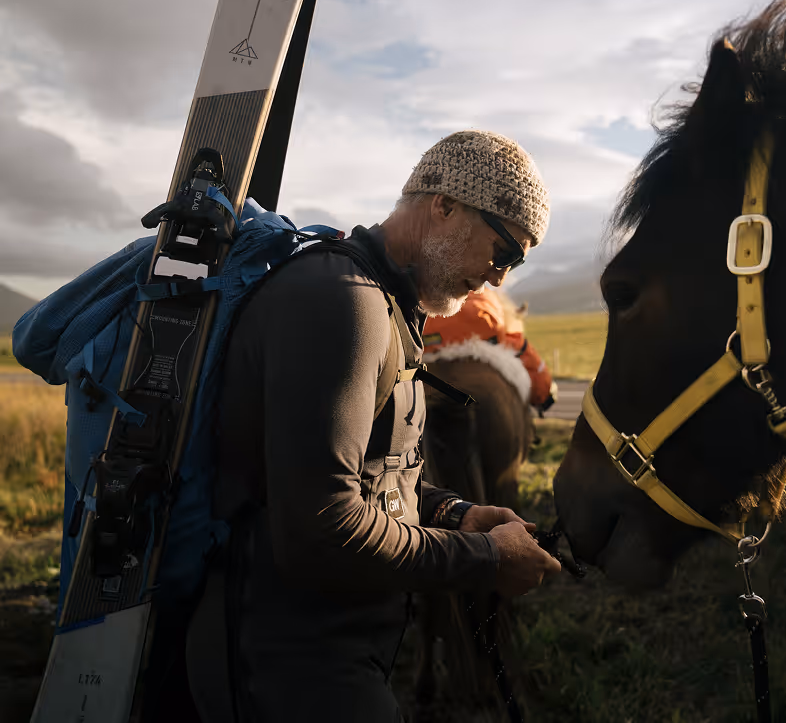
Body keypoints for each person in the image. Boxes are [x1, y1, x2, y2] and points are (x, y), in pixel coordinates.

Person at [186, 130, 562, 723]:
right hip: (288, 663)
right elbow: (323, 530)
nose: (497, 278)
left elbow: (367, 471)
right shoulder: (341, 302)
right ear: (445, 205)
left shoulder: (387, 304)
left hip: (332, 651)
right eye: (503, 251)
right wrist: (484, 558)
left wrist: (452, 512)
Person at [422, 285, 559, 413]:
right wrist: (545, 395)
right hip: (486, 345)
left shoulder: (430, 294)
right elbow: (525, 355)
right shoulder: (488, 297)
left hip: (430, 356)